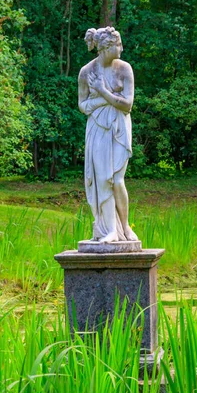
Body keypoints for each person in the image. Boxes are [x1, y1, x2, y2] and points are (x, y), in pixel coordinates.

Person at [78, 26, 138, 243]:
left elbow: (127, 105)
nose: (121, 49)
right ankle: (110, 230)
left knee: (118, 179)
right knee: (103, 179)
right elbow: (83, 105)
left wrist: (103, 92)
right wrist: (108, 98)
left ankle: (125, 227)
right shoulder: (86, 72)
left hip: (119, 128)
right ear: (104, 48)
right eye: (117, 45)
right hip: (97, 129)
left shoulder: (124, 69)